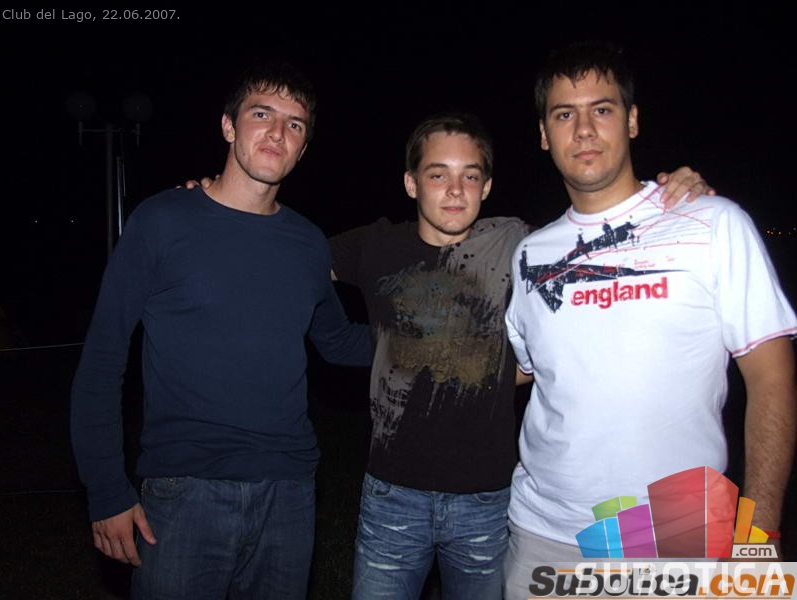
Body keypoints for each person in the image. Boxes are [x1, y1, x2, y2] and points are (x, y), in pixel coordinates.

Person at [189, 115, 710, 598]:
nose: (455, 190)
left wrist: (668, 197)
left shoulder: (521, 245)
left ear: (487, 186)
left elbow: (605, 247)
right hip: (391, 497)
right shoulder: (375, 245)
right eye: (438, 175)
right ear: (411, 183)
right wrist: (217, 203)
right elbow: (284, 256)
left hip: (486, 501)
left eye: (470, 176)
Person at [503, 41, 797, 598]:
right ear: (543, 134)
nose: (583, 130)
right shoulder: (530, 255)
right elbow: (524, 368)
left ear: (632, 120)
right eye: (564, 115)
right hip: (544, 533)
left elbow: (772, 380)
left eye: (602, 109)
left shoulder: (713, 223)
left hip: (680, 528)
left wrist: (758, 537)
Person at [70, 62, 372, 599]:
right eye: (262, 115)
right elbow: (102, 360)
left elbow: (340, 341)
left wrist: (433, 341)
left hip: (289, 491)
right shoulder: (162, 221)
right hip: (183, 493)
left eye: (295, 124)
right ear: (229, 126)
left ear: (303, 148)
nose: (277, 132)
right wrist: (107, 489)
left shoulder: (307, 243)